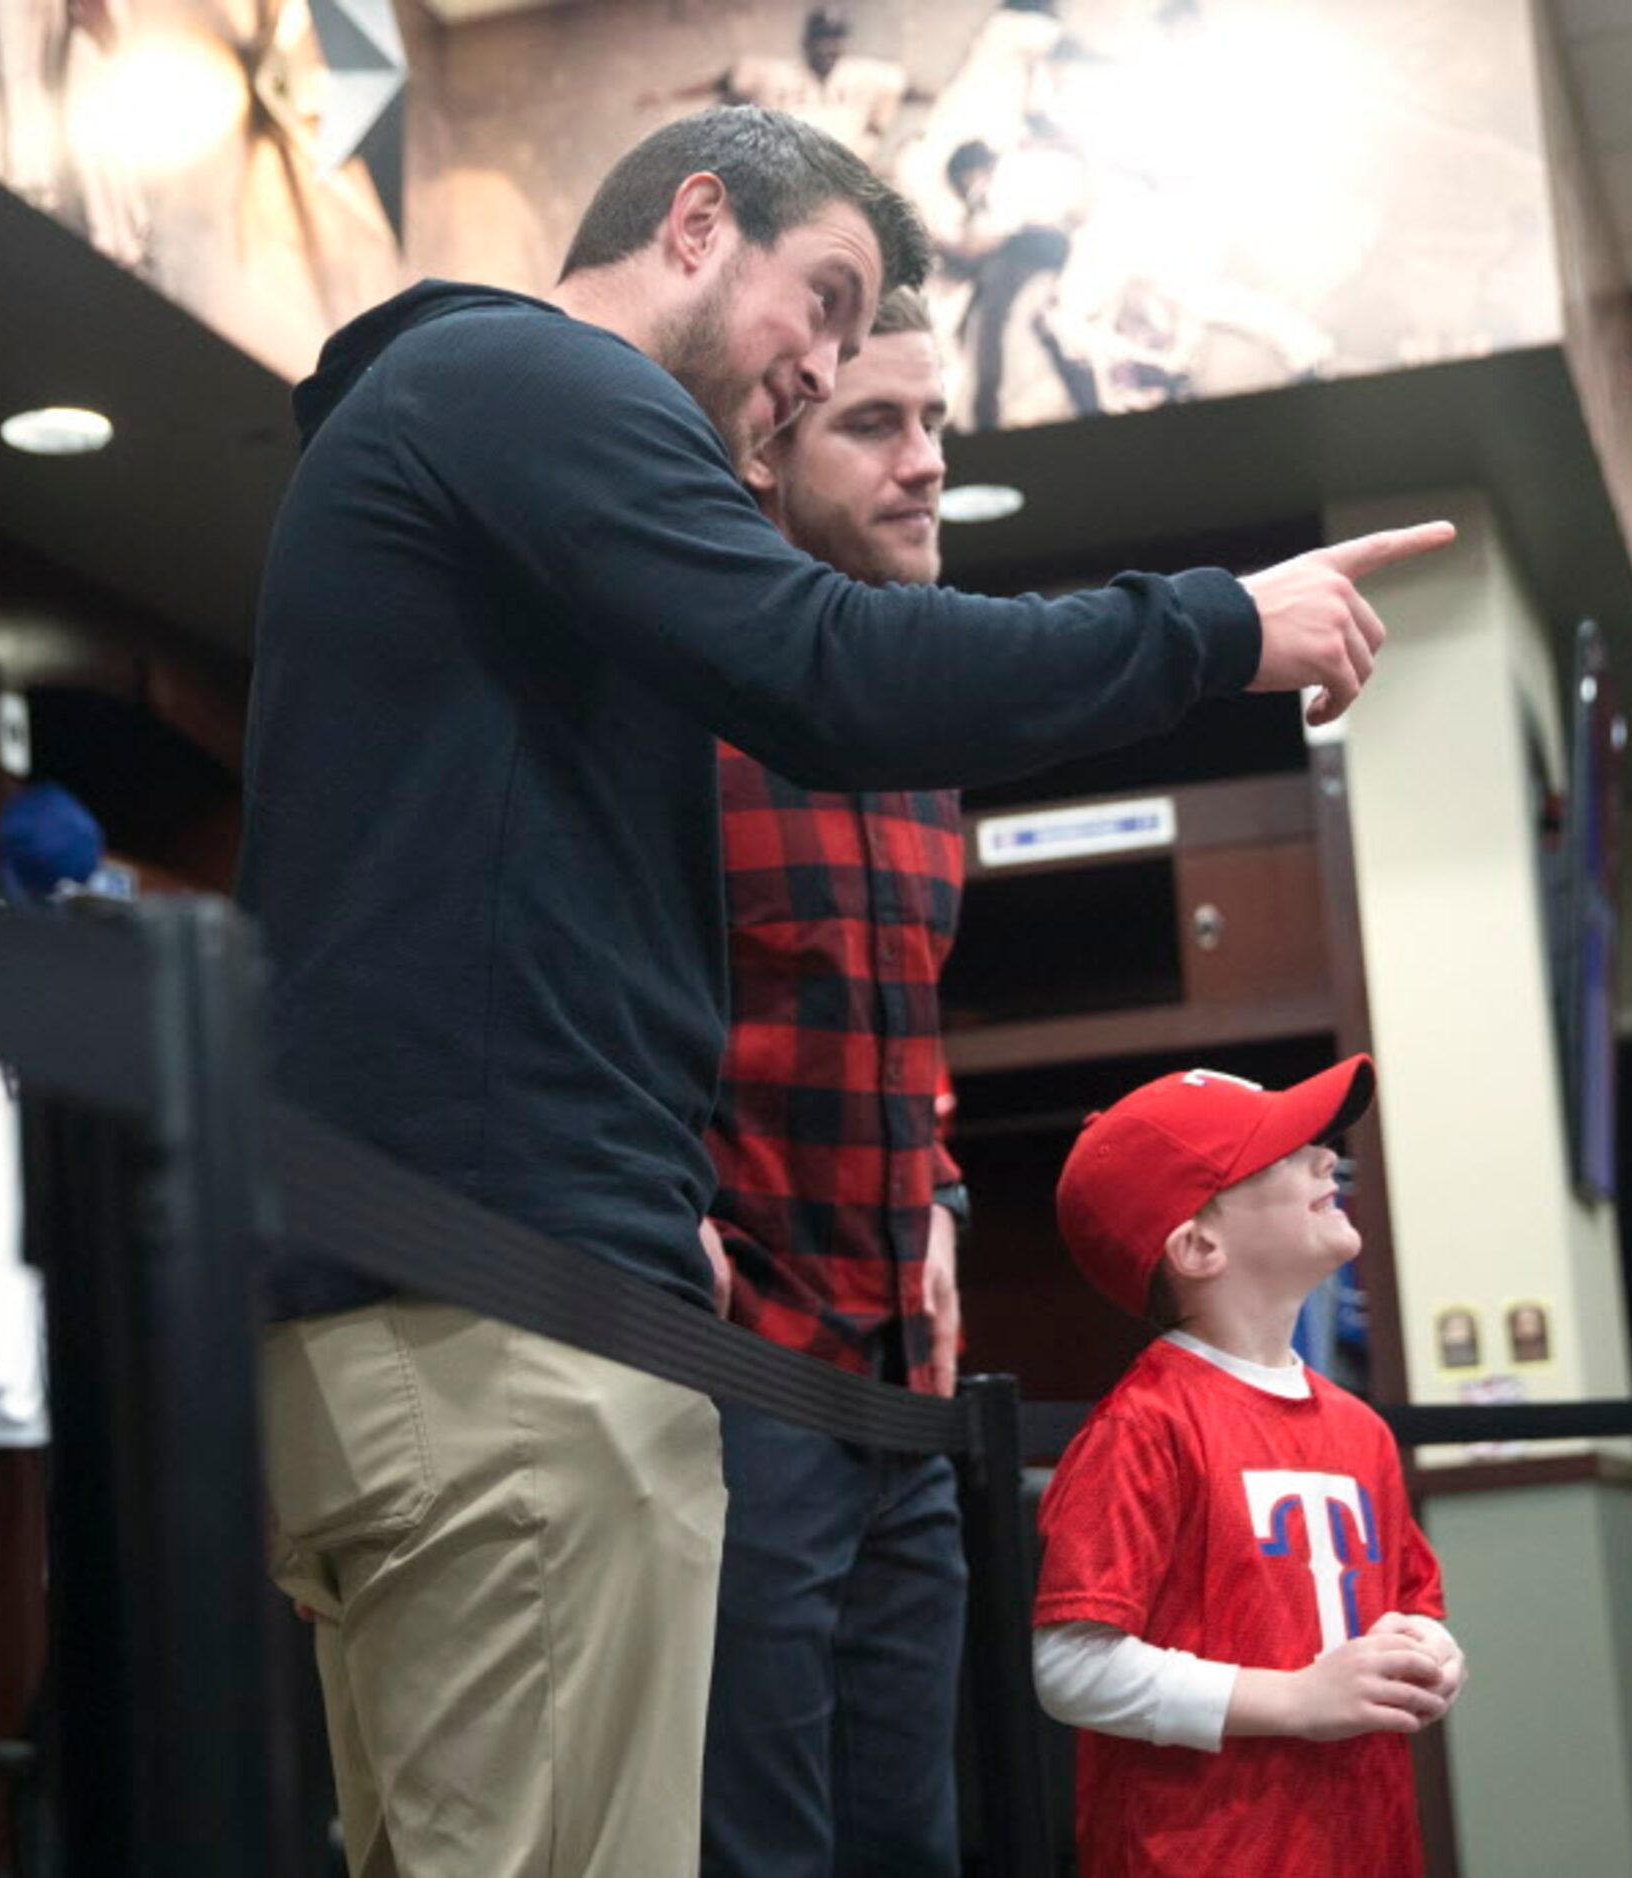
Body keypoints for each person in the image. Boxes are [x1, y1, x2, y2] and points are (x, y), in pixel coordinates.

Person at [237, 104, 1449, 1878]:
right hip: (513, 1311)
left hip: (464, 1308)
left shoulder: (477, 447)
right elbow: (825, 662)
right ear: (695, 222)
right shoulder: (530, 379)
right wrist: (1215, 626)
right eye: (822, 304)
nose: (816, 372)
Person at [696, 285, 970, 1877]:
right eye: (876, 424)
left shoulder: (925, 725)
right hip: (736, 1377)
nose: (922, 462)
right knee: (758, 1855)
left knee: (911, 1845)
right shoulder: (675, 718)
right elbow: (589, 996)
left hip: (898, 1372)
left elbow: (904, 1028)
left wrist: (935, 1186)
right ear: (765, 453)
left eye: (933, 422)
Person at [1033, 1059, 1463, 1876]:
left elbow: (1412, 1604)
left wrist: (1429, 1654)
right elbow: (1070, 1667)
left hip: (1364, 1843)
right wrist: (1295, 1700)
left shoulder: (1360, 1428)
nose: (1325, 1157)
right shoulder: (1144, 1425)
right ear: (1197, 1244)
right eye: (1281, 1152)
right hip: (1203, 1851)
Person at [643, 9, 924, 162]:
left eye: (836, 40)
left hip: (844, 168)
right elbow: (724, 80)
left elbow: (911, 91)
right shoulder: (772, 73)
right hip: (785, 167)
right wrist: (668, 95)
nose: (829, 47)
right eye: (823, 40)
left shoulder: (866, 74)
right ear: (806, 42)